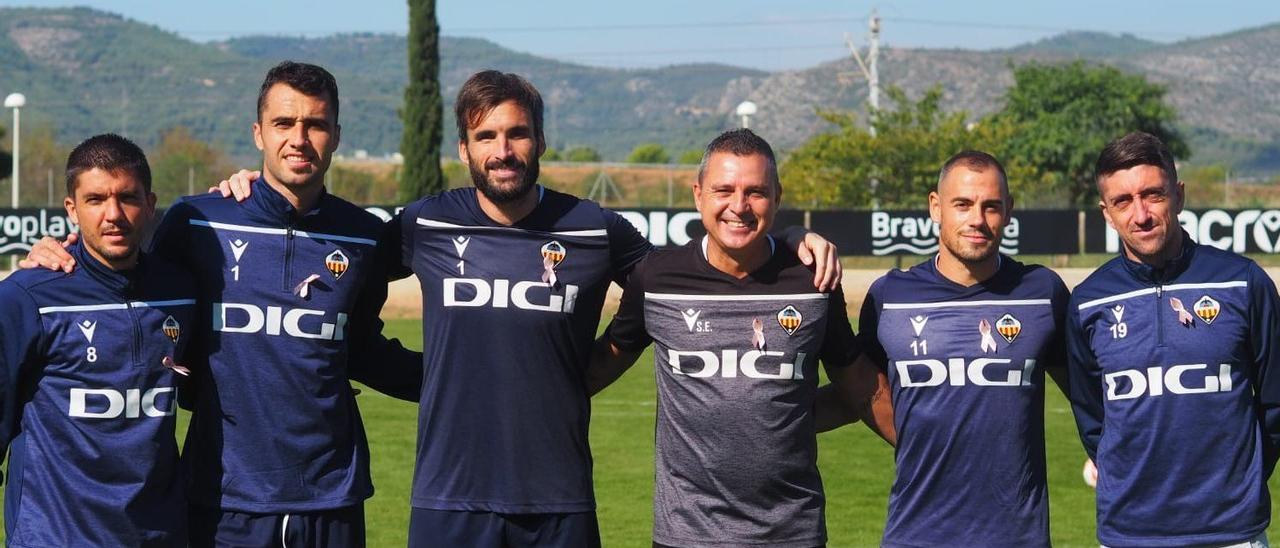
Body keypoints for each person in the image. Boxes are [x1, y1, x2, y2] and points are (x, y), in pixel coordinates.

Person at [213, 70, 841, 547]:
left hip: (560, 497)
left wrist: (784, 243)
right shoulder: (423, 224)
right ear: (464, 149)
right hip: (448, 497)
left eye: (516, 133)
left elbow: (687, 271)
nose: (503, 149)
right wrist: (244, 195)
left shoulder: (594, 229)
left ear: (539, 139)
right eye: (486, 136)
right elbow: (345, 307)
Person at [23, 62, 422, 547]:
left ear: (336, 135)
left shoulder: (363, 236)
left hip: (331, 496)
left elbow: (358, 347)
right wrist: (57, 255)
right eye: (283, 123)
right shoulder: (197, 222)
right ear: (258, 133)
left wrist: (458, 378)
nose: (299, 138)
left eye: (315, 124)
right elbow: (122, 274)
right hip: (223, 499)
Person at [583, 128, 894, 547]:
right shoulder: (656, 279)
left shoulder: (813, 280)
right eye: (724, 189)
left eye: (755, 192)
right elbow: (604, 361)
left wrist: (941, 453)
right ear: (698, 195)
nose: (739, 206)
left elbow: (859, 387)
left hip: (792, 534)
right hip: (686, 535)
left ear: (778, 197)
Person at [1066, 131, 1280, 547]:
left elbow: (1275, 402)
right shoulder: (1088, 303)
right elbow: (1093, 420)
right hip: (1129, 533)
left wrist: (1241, 481)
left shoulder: (1243, 282)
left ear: (1178, 196)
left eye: (1153, 195)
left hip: (1232, 533)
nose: (1140, 214)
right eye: (1122, 201)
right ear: (1106, 213)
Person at [857, 150, 1070, 547]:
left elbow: (1092, 395)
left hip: (1017, 538)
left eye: (991, 206)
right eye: (963, 204)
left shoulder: (1043, 293)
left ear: (1009, 210)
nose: (977, 219)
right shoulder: (889, 296)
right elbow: (855, 391)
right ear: (935, 207)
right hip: (915, 535)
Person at [0, 134, 197, 546]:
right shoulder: (27, 298)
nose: (113, 214)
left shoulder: (182, 292)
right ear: (71, 208)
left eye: (127, 197)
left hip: (159, 536)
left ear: (150, 203)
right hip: (54, 536)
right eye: (95, 200)